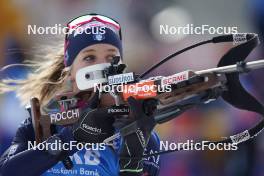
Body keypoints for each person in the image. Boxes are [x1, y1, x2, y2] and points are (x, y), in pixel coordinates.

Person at [0, 14, 161, 176]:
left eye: (112, 57)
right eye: (89, 58)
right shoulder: (40, 124)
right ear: (69, 72)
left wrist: (133, 155)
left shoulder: (139, 129)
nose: (101, 66)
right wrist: (70, 138)